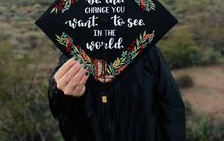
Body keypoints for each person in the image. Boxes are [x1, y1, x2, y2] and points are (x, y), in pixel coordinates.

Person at [48, 45, 186, 141]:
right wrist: (65, 95)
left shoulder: (145, 50)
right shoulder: (73, 54)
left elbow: (172, 105)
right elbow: (68, 124)